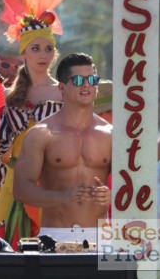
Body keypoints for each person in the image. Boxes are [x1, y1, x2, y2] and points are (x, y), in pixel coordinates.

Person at [0, 12, 63, 248]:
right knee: (4, 248)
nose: (43, 54)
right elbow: (1, 152)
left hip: (51, 180)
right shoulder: (8, 96)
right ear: (24, 51)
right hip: (14, 181)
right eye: (36, 48)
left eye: (48, 48)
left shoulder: (63, 92)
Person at [13, 52, 111, 244]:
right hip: (55, 236)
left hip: (101, 238)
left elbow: (134, 177)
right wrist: (62, 197)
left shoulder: (110, 134)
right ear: (62, 87)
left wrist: (109, 194)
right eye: (77, 80)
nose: (86, 85)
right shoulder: (41, 133)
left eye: (92, 79)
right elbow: (20, 189)